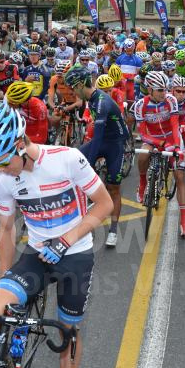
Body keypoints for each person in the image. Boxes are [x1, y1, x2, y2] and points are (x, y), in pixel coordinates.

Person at [0, 103, 113, 368]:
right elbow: (7, 229)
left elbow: (105, 204)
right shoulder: (2, 178)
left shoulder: (67, 159)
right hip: (36, 252)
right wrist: (4, 278)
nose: (0, 171)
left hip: (75, 253)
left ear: (20, 144)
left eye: (2, 161)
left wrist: (65, 240)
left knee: (68, 332)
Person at [65, 66, 129, 248]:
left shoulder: (101, 101)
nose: (72, 92)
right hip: (101, 140)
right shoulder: (90, 98)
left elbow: (99, 135)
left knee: (113, 187)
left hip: (115, 144)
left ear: (79, 85)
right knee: (73, 160)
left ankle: (114, 230)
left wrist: (89, 166)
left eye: (72, 88)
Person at [133, 71, 185, 236]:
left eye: (165, 89)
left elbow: (174, 126)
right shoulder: (140, 105)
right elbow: (142, 134)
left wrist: (177, 147)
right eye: (160, 90)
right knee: (143, 154)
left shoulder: (171, 100)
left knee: (180, 177)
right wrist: (159, 143)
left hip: (172, 139)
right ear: (149, 90)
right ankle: (143, 183)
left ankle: (184, 222)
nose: (164, 93)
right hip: (152, 139)